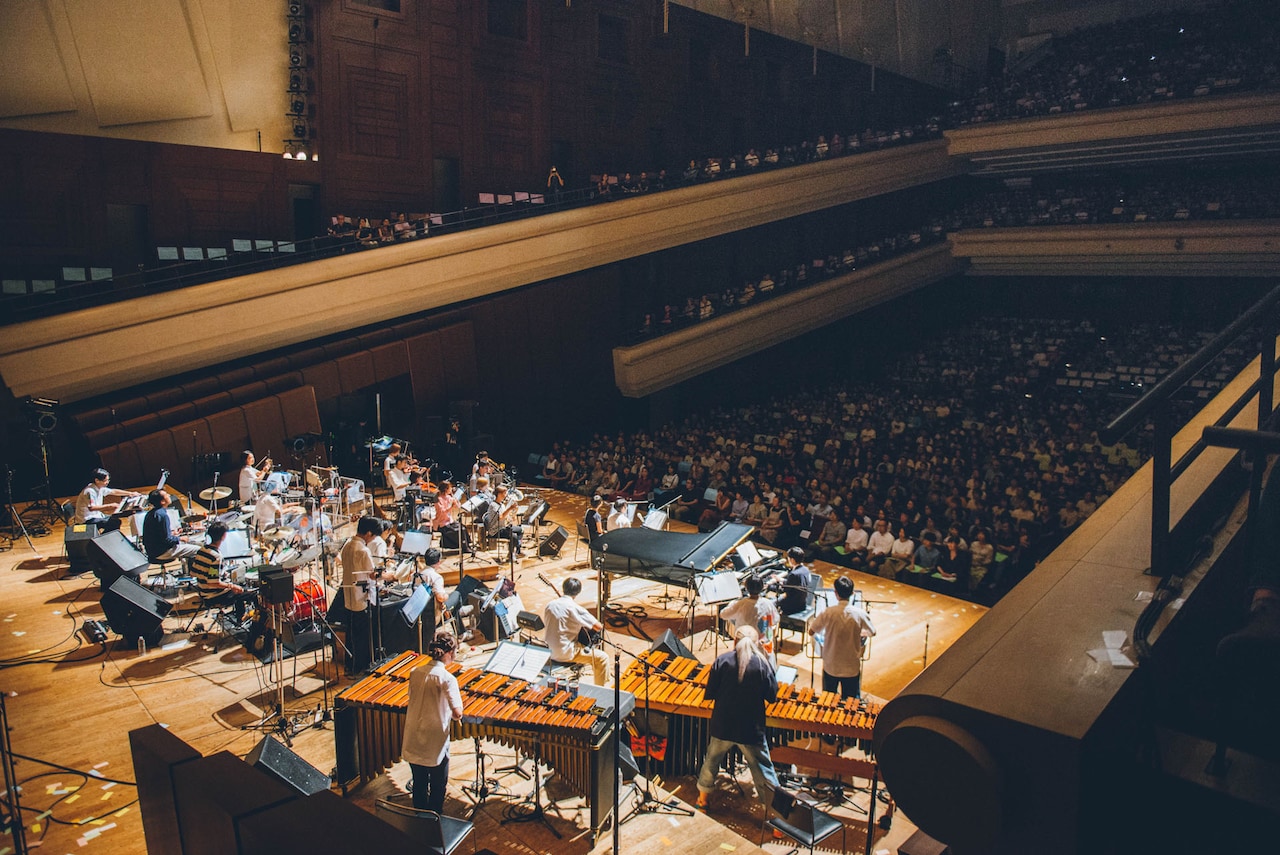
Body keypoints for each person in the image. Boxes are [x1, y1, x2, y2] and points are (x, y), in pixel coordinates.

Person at [695, 626, 780, 811]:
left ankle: (702, 801)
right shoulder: (762, 664)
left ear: (734, 642)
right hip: (750, 729)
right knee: (763, 770)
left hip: (723, 725)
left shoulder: (722, 661)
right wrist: (769, 658)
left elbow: (710, 693)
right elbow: (772, 696)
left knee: (711, 762)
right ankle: (774, 813)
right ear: (757, 644)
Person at [401, 630, 464, 814]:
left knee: (419, 784)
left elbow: (413, 697)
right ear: (449, 653)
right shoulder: (447, 679)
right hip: (434, 743)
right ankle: (434, 821)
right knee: (437, 787)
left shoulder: (415, 672)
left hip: (414, 737)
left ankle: (420, 822)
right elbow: (457, 713)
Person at [807, 576, 876, 698]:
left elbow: (811, 631)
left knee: (828, 701)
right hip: (851, 667)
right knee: (851, 703)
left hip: (831, 665)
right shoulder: (860, 614)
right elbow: (872, 632)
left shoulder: (828, 612)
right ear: (852, 593)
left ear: (836, 593)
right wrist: (860, 632)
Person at [542, 577, 608, 685]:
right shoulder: (575, 608)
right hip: (565, 653)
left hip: (549, 650)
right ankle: (600, 688)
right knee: (602, 658)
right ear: (578, 592)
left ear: (563, 588)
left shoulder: (550, 605)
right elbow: (598, 627)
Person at [340, 516, 384, 673]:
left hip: (348, 597)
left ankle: (350, 665)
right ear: (369, 533)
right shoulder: (363, 550)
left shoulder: (347, 545)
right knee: (363, 636)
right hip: (361, 598)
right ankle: (362, 666)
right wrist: (387, 575)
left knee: (351, 634)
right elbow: (372, 575)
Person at [188, 521, 254, 623]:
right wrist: (232, 586)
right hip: (213, 596)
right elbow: (213, 582)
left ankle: (240, 616)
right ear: (223, 536)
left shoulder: (202, 550)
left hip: (202, 591)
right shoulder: (216, 557)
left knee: (239, 587)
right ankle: (241, 619)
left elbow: (193, 573)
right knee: (250, 592)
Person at [720, 574, 779, 658]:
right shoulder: (768, 604)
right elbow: (775, 620)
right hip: (765, 650)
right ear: (762, 587)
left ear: (746, 588)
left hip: (745, 648)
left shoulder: (741, 604)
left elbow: (723, 615)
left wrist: (732, 603)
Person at [140, 490, 201, 563]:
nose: (169, 495)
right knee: (199, 551)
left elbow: (156, 535)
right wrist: (180, 538)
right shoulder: (163, 515)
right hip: (162, 552)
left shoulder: (151, 513)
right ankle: (193, 569)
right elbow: (167, 540)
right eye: (166, 495)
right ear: (162, 502)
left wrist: (171, 534)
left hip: (152, 551)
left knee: (190, 544)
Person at [72, 468, 138, 533]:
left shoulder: (100, 487)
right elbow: (91, 508)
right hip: (87, 520)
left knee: (115, 520)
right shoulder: (90, 491)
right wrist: (110, 506)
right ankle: (102, 538)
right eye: (105, 480)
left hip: (96, 515)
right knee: (114, 523)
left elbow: (113, 491)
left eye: (108, 480)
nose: (107, 482)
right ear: (97, 480)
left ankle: (105, 537)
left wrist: (130, 493)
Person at [776, 546, 812, 616]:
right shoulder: (805, 569)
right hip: (802, 603)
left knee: (770, 603)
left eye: (788, 558)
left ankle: (773, 620)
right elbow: (794, 584)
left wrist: (770, 586)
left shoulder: (793, 574)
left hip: (792, 606)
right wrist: (781, 580)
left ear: (792, 560)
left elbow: (784, 591)